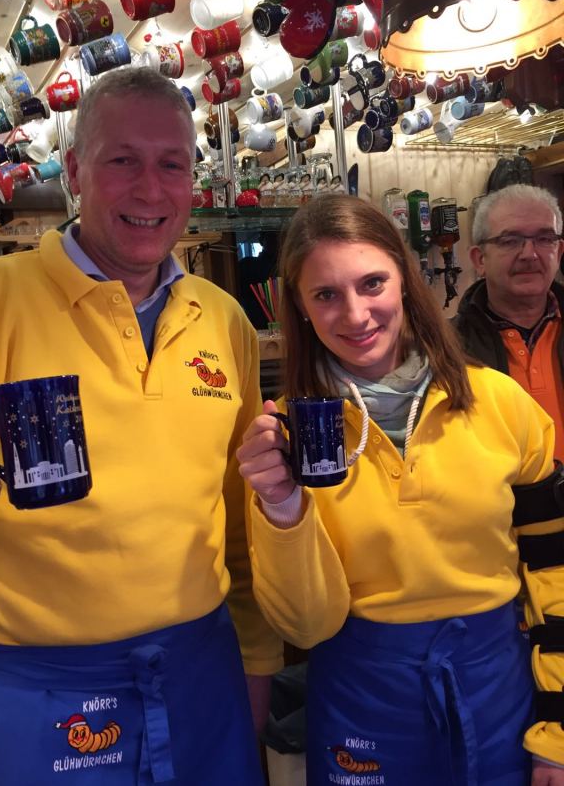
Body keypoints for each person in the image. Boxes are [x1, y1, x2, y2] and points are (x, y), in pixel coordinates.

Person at [0, 67, 281, 786]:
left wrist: (256, 667)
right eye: (123, 161)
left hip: (201, 675)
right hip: (28, 698)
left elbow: (242, 524)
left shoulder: (224, 319)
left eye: (171, 164)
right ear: (78, 172)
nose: (150, 189)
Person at [236, 193, 564, 785]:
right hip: (362, 704)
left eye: (372, 283)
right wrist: (282, 507)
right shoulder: (284, 437)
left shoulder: (501, 403)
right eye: (326, 295)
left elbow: (557, 573)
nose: (356, 314)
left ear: (407, 283)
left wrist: (558, 733)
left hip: (498, 696)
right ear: (301, 308)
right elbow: (305, 628)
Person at [453, 184, 564, 461]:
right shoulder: (445, 347)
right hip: (501, 504)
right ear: (480, 259)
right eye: (510, 240)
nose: (529, 253)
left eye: (544, 239)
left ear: (559, 252)